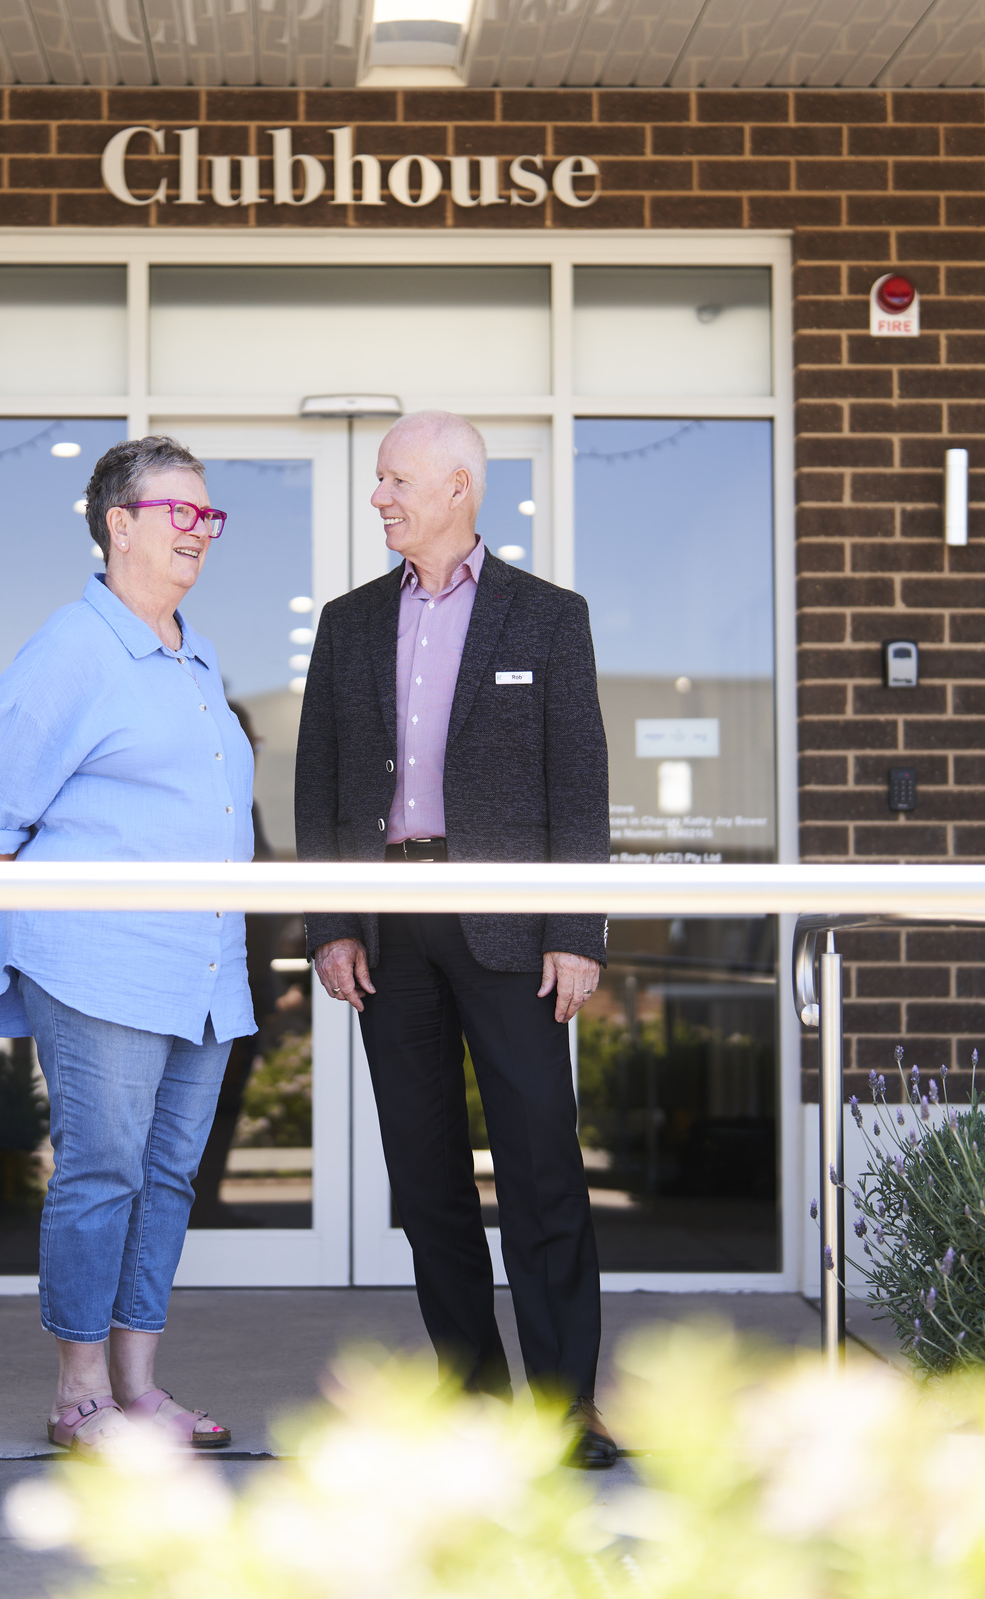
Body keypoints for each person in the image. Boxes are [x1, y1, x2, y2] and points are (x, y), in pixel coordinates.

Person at [293, 410, 619, 1469]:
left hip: (514, 930)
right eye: (380, 480)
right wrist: (333, 921)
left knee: (541, 1167)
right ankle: (471, 1396)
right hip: (392, 926)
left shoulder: (548, 617)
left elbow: (579, 788)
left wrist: (577, 931)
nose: (380, 496)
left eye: (397, 480)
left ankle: (564, 1408)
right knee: (425, 1174)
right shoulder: (345, 625)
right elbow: (321, 789)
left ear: (459, 489)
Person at [0, 435, 252, 1456]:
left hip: (199, 969)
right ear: (120, 524)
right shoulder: (77, 645)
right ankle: (79, 1394)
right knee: (103, 1170)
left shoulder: (191, 651)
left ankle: (140, 1387)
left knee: (166, 1176)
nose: (200, 532)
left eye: (211, 516)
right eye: (181, 514)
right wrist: (41, 918)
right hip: (104, 963)